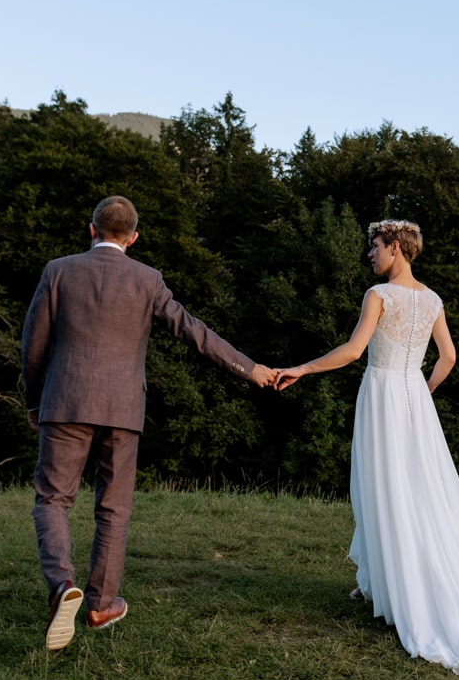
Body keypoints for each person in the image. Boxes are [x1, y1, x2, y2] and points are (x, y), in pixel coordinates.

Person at [276, 219, 459, 677]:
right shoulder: (432, 300)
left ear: (398, 249)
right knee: (419, 489)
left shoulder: (378, 295)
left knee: (381, 485)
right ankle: (380, 582)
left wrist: (301, 369)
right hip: (414, 400)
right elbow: (449, 357)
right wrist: (424, 389)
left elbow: (352, 351)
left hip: (383, 396)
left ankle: (391, 586)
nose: (371, 254)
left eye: (376, 246)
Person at [22, 194, 277, 650]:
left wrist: (34, 397)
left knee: (54, 499)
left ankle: (63, 586)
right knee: (113, 508)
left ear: (91, 229)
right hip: (123, 411)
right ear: (133, 238)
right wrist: (249, 369)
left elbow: (33, 344)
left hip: (65, 402)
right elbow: (194, 332)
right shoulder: (148, 280)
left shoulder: (58, 271)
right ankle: (100, 606)